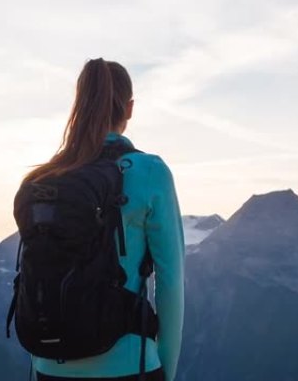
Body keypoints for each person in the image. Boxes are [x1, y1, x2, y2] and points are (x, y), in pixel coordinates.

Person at [20, 58, 185, 381]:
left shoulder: (42, 181)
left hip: (49, 366)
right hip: (128, 365)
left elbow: (35, 277)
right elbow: (171, 284)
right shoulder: (150, 172)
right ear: (129, 108)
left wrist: (40, 364)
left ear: (79, 104)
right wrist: (166, 370)